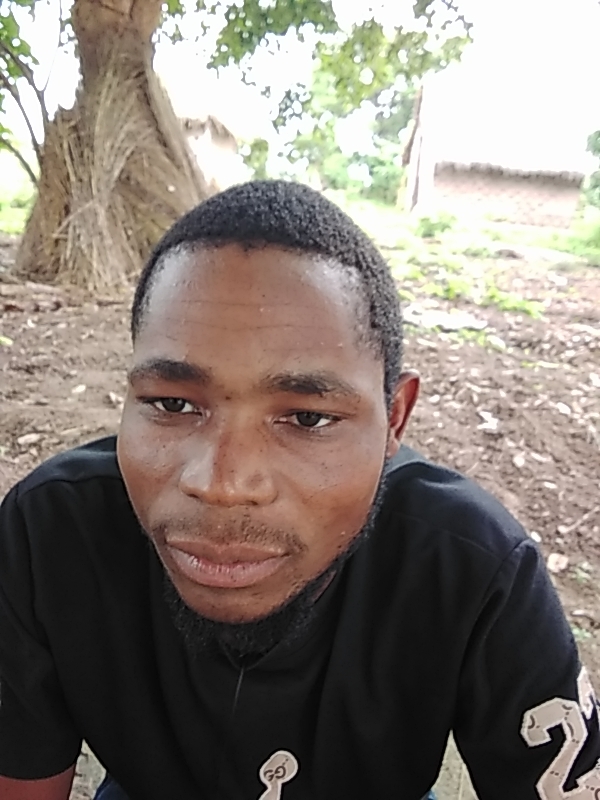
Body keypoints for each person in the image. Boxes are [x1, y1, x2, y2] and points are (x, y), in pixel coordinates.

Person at [0, 180, 598, 800]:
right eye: (173, 404)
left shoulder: (472, 569)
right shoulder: (52, 534)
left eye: (308, 418)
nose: (222, 484)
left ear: (394, 420)